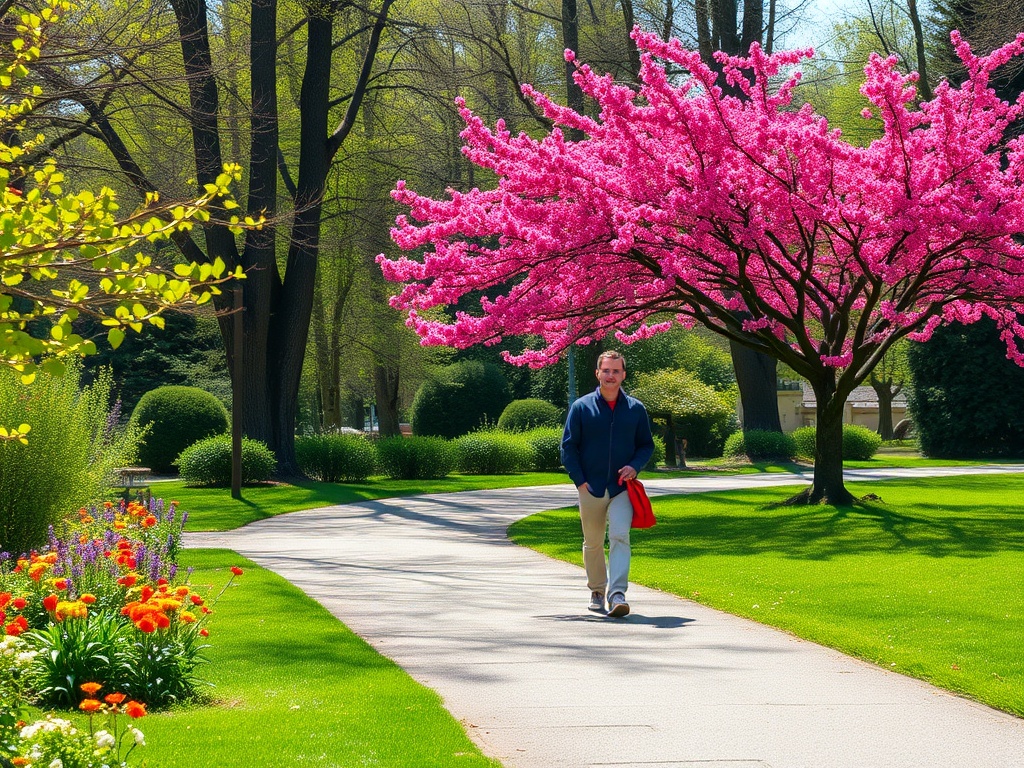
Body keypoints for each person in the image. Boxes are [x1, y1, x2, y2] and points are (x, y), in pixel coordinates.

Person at [561, 350, 655, 617]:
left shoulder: (636, 409)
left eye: (616, 371)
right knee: (592, 542)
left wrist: (635, 467)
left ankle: (617, 594)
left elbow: (645, 445)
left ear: (623, 374)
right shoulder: (581, 407)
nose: (611, 376)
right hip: (590, 488)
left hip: (622, 488)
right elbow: (569, 448)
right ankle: (597, 590)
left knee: (620, 536)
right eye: (606, 371)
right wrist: (580, 482)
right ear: (598, 373)